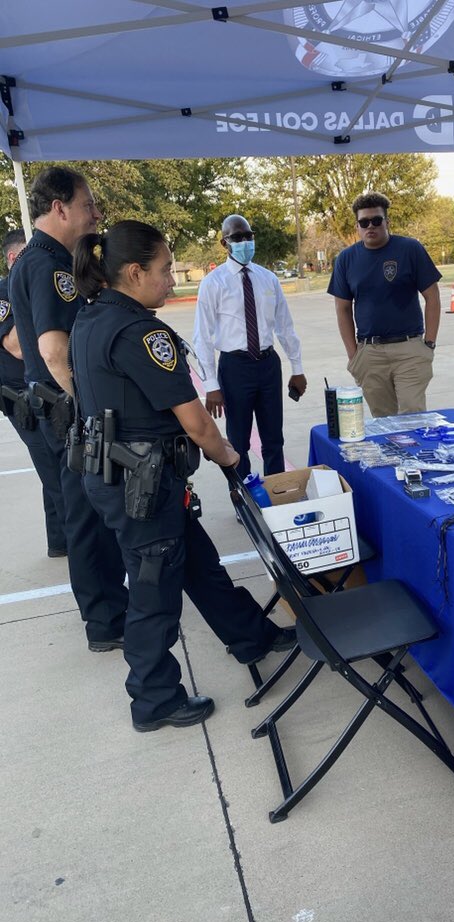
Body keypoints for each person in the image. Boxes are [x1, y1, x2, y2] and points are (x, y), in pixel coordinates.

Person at [71, 220, 296, 732]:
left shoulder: (92, 318)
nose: (173, 280)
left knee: (198, 563)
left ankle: (251, 637)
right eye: (166, 269)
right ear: (133, 272)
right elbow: (196, 422)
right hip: (141, 487)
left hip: (129, 480)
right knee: (153, 593)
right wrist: (231, 458)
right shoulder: (141, 333)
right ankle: (154, 699)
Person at [8, 166, 128, 651]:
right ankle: (104, 620)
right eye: (87, 206)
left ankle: (106, 612)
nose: (94, 215)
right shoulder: (49, 264)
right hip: (67, 409)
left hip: (55, 406)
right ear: (59, 209)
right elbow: (55, 350)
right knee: (88, 515)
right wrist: (89, 412)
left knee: (86, 512)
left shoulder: (39, 260)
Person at [193, 214, 306, 481]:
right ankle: (244, 499)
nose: (245, 242)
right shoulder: (213, 283)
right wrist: (211, 384)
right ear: (225, 243)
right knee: (239, 442)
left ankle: (276, 491)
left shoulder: (268, 279)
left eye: (249, 236)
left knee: (273, 439)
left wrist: (297, 368)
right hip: (235, 368)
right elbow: (202, 337)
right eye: (238, 238)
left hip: (268, 365)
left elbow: (285, 327)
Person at [328, 191, 441, 417]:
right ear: (357, 227)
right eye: (364, 222)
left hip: (409, 349)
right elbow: (342, 310)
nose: (371, 226)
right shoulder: (346, 259)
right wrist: (354, 355)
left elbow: (433, 297)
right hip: (370, 353)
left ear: (387, 222)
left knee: (413, 416)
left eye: (377, 220)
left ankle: (418, 455)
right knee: (384, 421)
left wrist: (428, 344)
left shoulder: (410, 249)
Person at [0, 229, 67, 557]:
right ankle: (76, 541)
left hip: (40, 395)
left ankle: (60, 541)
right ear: (14, 259)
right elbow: (15, 347)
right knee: (55, 471)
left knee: (52, 464)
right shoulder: (4, 292)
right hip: (20, 399)